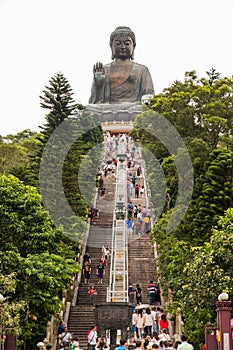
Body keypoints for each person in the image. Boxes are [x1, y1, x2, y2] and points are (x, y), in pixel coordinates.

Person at [89, 26, 154, 105]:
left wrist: (147, 98)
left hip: (134, 106)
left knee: (139, 110)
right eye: (118, 44)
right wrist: (98, 84)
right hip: (108, 108)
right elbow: (94, 101)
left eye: (127, 43)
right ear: (111, 46)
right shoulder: (104, 69)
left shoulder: (142, 70)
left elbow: (149, 94)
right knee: (91, 109)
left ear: (134, 46)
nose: (122, 47)